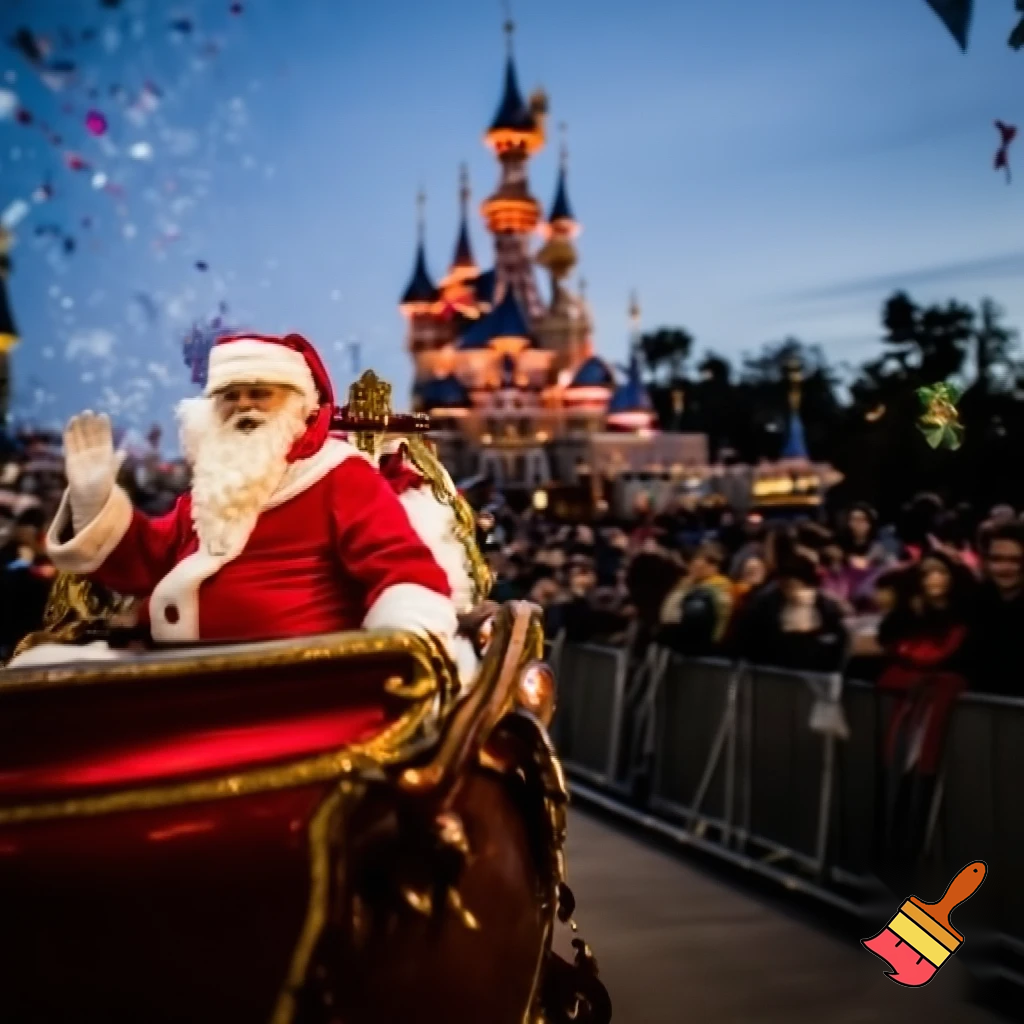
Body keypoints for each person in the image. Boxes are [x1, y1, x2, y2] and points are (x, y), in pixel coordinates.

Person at [14, 332, 469, 674]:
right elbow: (146, 561)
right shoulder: (212, 487)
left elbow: (404, 571)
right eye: (230, 396)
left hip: (290, 679)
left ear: (298, 406)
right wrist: (96, 502)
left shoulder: (339, 476)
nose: (244, 406)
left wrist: (397, 649)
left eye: (259, 393)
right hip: (180, 670)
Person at [966, 520, 1024, 696]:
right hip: (979, 710)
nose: (1005, 568)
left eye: (1015, 560)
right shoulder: (973, 602)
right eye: (997, 559)